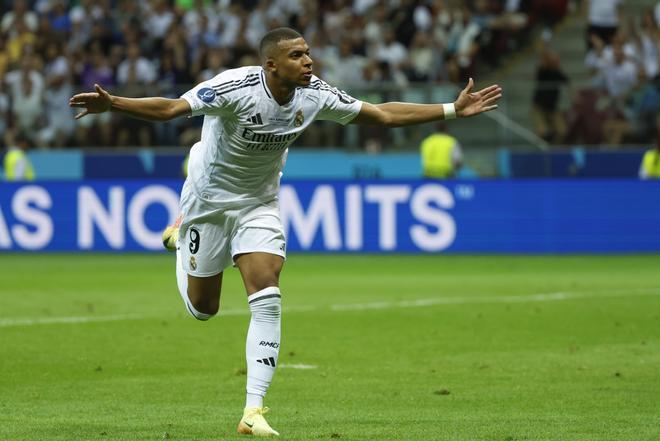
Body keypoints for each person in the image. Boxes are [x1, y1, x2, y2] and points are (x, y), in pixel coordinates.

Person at [69, 27, 502, 437]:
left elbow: (383, 114)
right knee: (204, 309)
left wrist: (451, 109)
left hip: (260, 204)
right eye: (297, 55)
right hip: (207, 203)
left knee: (268, 293)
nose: (308, 61)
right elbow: (170, 109)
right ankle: (180, 232)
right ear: (271, 65)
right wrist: (116, 104)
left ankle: (252, 410)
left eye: (308, 53)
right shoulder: (234, 88)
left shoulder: (315, 94)